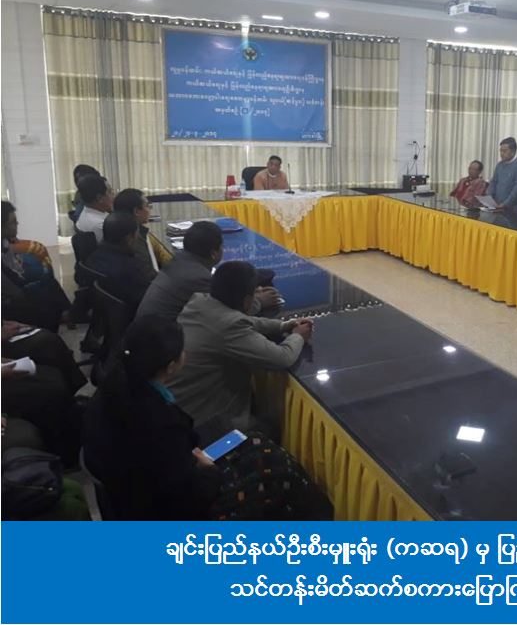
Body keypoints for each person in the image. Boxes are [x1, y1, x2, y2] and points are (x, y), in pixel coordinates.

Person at [83, 316, 331, 520]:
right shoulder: (157, 421)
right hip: (172, 511)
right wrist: (209, 470)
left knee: (254, 440)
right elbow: (191, 497)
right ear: (171, 365)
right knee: (280, 471)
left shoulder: (116, 382)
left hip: (140, 488)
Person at [168, 261, 313, 430]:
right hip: (201, 421)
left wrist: (282, 326)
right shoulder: (229, 327)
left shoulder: (199, 301)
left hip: (175, 407)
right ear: (247, 300)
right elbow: (282, 357)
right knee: (273, 428)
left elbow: (244, 320)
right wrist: (298, 336)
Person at [136, 222, 281, 322]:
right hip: (162, 347)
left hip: (149, 335)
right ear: (213, 253)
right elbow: (228, 313)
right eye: (222, 246)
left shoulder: (178, 261)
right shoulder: (198, 278)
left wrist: (251, 291)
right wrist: (259, 301)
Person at [2, 202, 72, 332]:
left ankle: (65, 313)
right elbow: (11, 287)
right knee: (46, 293)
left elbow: (15, 269)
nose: (17, 224)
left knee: (47, 280)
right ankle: (63, 316)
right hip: (8, 302)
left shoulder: (5, 242)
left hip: (15, 286)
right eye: (13, 222)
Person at [86, 213, 151, 316]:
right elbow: (148, 299)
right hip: (134, 316)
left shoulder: (93, 256)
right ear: (129, 238)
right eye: (137, 234)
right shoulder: (130, 268)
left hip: (107, 315)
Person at [113, 188, 167, 281]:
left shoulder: (119, 231)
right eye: (147, 206)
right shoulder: (134, 239)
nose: (149, 209)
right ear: (136, 211)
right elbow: (150, 276)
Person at [486, 137, 517, 213]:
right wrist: (489, 197)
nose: (501, 154)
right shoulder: (499, 165)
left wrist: (505, 204)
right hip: (497, 206)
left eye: (504, 151)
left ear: (513, 152)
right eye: (500, 151)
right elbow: (494, 182)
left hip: (513, 209)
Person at [75, 174, 114, 243]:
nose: (114, 195)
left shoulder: (85, 212)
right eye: (110, 192)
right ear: (99, 198)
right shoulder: (101, 225)